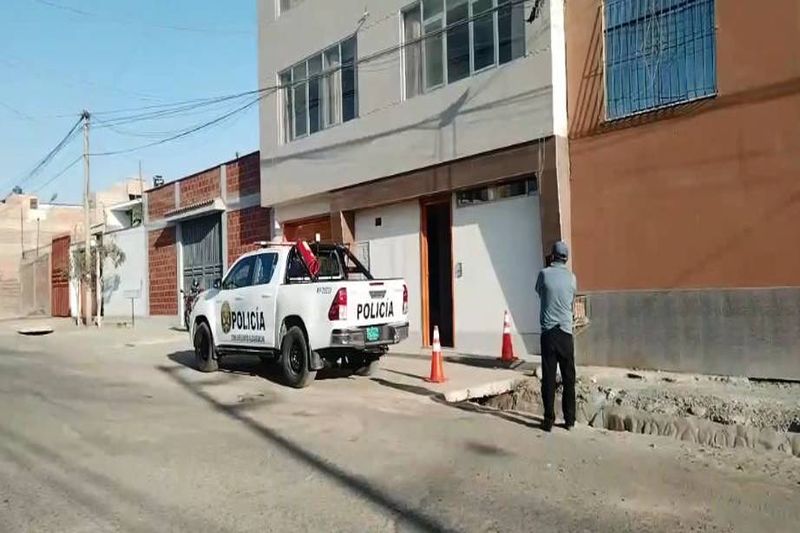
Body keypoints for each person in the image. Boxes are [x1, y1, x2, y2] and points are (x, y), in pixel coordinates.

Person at [535, 241, 577, 432]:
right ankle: (569, 420)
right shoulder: (572, 278)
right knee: (568, 378)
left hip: (548, 333)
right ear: (566, 258)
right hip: (566, 333)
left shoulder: (544, 274)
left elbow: (539, 292)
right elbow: (571, 299)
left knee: (549, 378)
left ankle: (548, 419)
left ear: (552, 255)